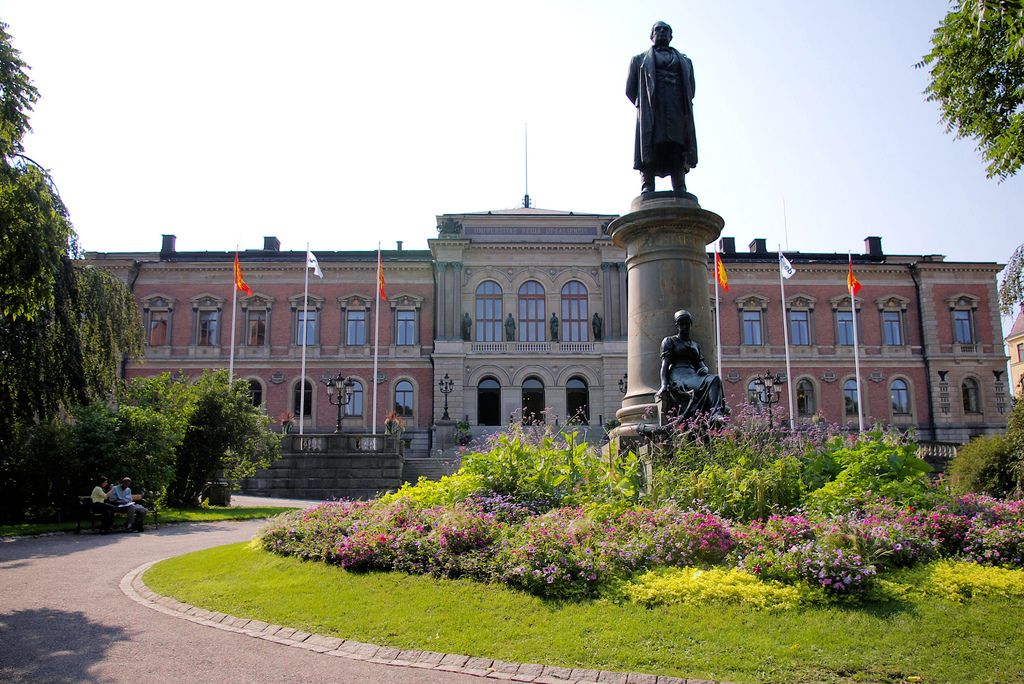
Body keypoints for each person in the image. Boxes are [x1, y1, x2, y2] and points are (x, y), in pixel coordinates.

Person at [626, 21, 698, 195]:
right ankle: (647, 184)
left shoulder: (686, 62)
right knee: (650, 145)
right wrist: (645, 104)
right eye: (657, 29)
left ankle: (679, 185)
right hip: (652, 110)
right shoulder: (639, 60)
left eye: (666, 30)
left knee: (677, 145)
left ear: (671, 36)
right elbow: (630, 90)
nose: (662, 32)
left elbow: (691, 89)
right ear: (651, 36)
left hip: (676, 109)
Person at [655, 310, 727, 424]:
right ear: (677, 325)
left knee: (715, 378)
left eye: (687, 323)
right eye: (681, 324)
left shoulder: (695, 345)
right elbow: (665, 365)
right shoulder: (669, 341)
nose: (684, 326)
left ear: (691, 324)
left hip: (693, 375)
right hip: (679, 375)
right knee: (711, 380)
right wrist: (664, 385)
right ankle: (714, 414)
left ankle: (716, 413)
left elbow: (701, 364)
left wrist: (704, 369)